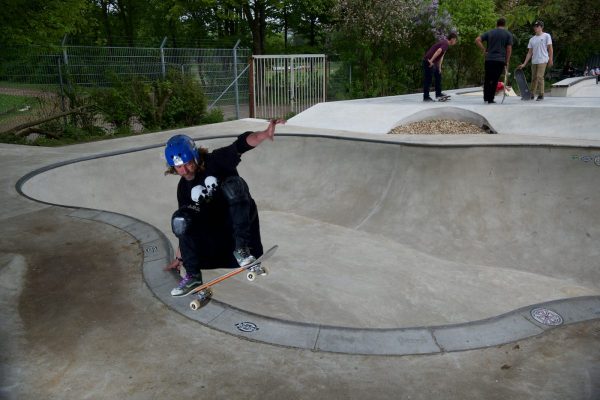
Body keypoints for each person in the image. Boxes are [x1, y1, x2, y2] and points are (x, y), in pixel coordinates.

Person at [163, 119, 286, 296]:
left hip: (237, 226)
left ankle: (242, 251)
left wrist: (263, 135)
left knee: (234, 185)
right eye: (179, 167)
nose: (185, 171)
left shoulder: (216, 161)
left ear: (195, 156)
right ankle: (193, 276)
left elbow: (241, 144)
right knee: (180, 218)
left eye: (188, 164)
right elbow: (184, 227)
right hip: (213, 236)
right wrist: (179, 257)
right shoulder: (183, 188)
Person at [475, 18, 513, 104]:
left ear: (497, 24)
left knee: (487, 78)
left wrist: (484, 50)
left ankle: (486, 97)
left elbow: (477, 40)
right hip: (500, 60)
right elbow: (509, 49)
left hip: (489, 59)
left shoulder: (490, 32)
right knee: (495, 79)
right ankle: (491, 99)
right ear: (505, 25)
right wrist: (507, 61)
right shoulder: (508, 34)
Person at [517, 21, 553, 101]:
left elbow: (550, 48)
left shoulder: (546, 36)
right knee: (534, 78)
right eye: (535, 26)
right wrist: (524, 63)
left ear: (541, 27)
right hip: (534, 61)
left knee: (539, 76)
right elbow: (529, 53)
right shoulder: (532, 39)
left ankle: (541, 94)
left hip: (543, 59)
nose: (535, 28)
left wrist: (550, 59)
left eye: (537, 26)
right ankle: (532, 94)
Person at [422, 32, 458, 102]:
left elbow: (441, 56)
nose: (455, 42)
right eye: (455, 40)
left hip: (433, 62)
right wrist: (431, 61)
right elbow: (438, 51)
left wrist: (439, 67)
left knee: (438, 75)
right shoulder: (446, 43)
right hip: (428, 61)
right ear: (452, 39)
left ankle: (438, 93)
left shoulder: (446, 44)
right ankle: (426, 97)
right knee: (428, 79)